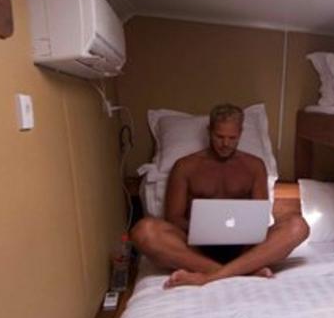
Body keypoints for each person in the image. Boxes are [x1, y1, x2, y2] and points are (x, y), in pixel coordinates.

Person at [130, 103, 309, 288]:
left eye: (232, 138)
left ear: (240, 133)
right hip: (196, 248)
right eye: (219, 136)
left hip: (246, 248)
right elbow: (173, 218)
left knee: (298, 226)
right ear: (209, 131)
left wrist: (239, 231)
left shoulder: (254, 166)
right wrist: (203, 228)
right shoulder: (185, 166)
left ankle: (209, 276)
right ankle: (242, 271)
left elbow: (260, 216)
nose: (225, 144)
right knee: (143, 231)